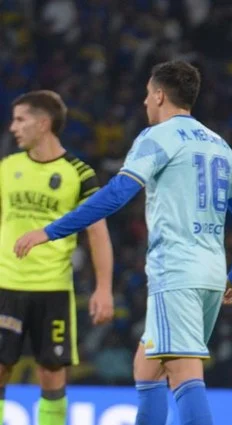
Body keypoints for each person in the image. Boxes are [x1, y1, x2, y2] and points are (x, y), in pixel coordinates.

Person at [14, 61, 232, 425]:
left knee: (183, 371)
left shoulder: (158, 137)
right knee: (147, 367)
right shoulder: (218, 144)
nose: (145, 102)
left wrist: (51, 231)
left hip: (176, 273)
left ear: (159, 95)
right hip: (211, 275)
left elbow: (117, 194)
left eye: (147, 94)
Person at [0, 90, 114, 425]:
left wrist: (103, 288)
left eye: (20, 119)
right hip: (6, 285)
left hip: (53, 289)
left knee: (51, 373)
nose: (13, 127)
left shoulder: (79, 174)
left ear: (43, 123)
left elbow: (98, 233)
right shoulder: (7, 168)